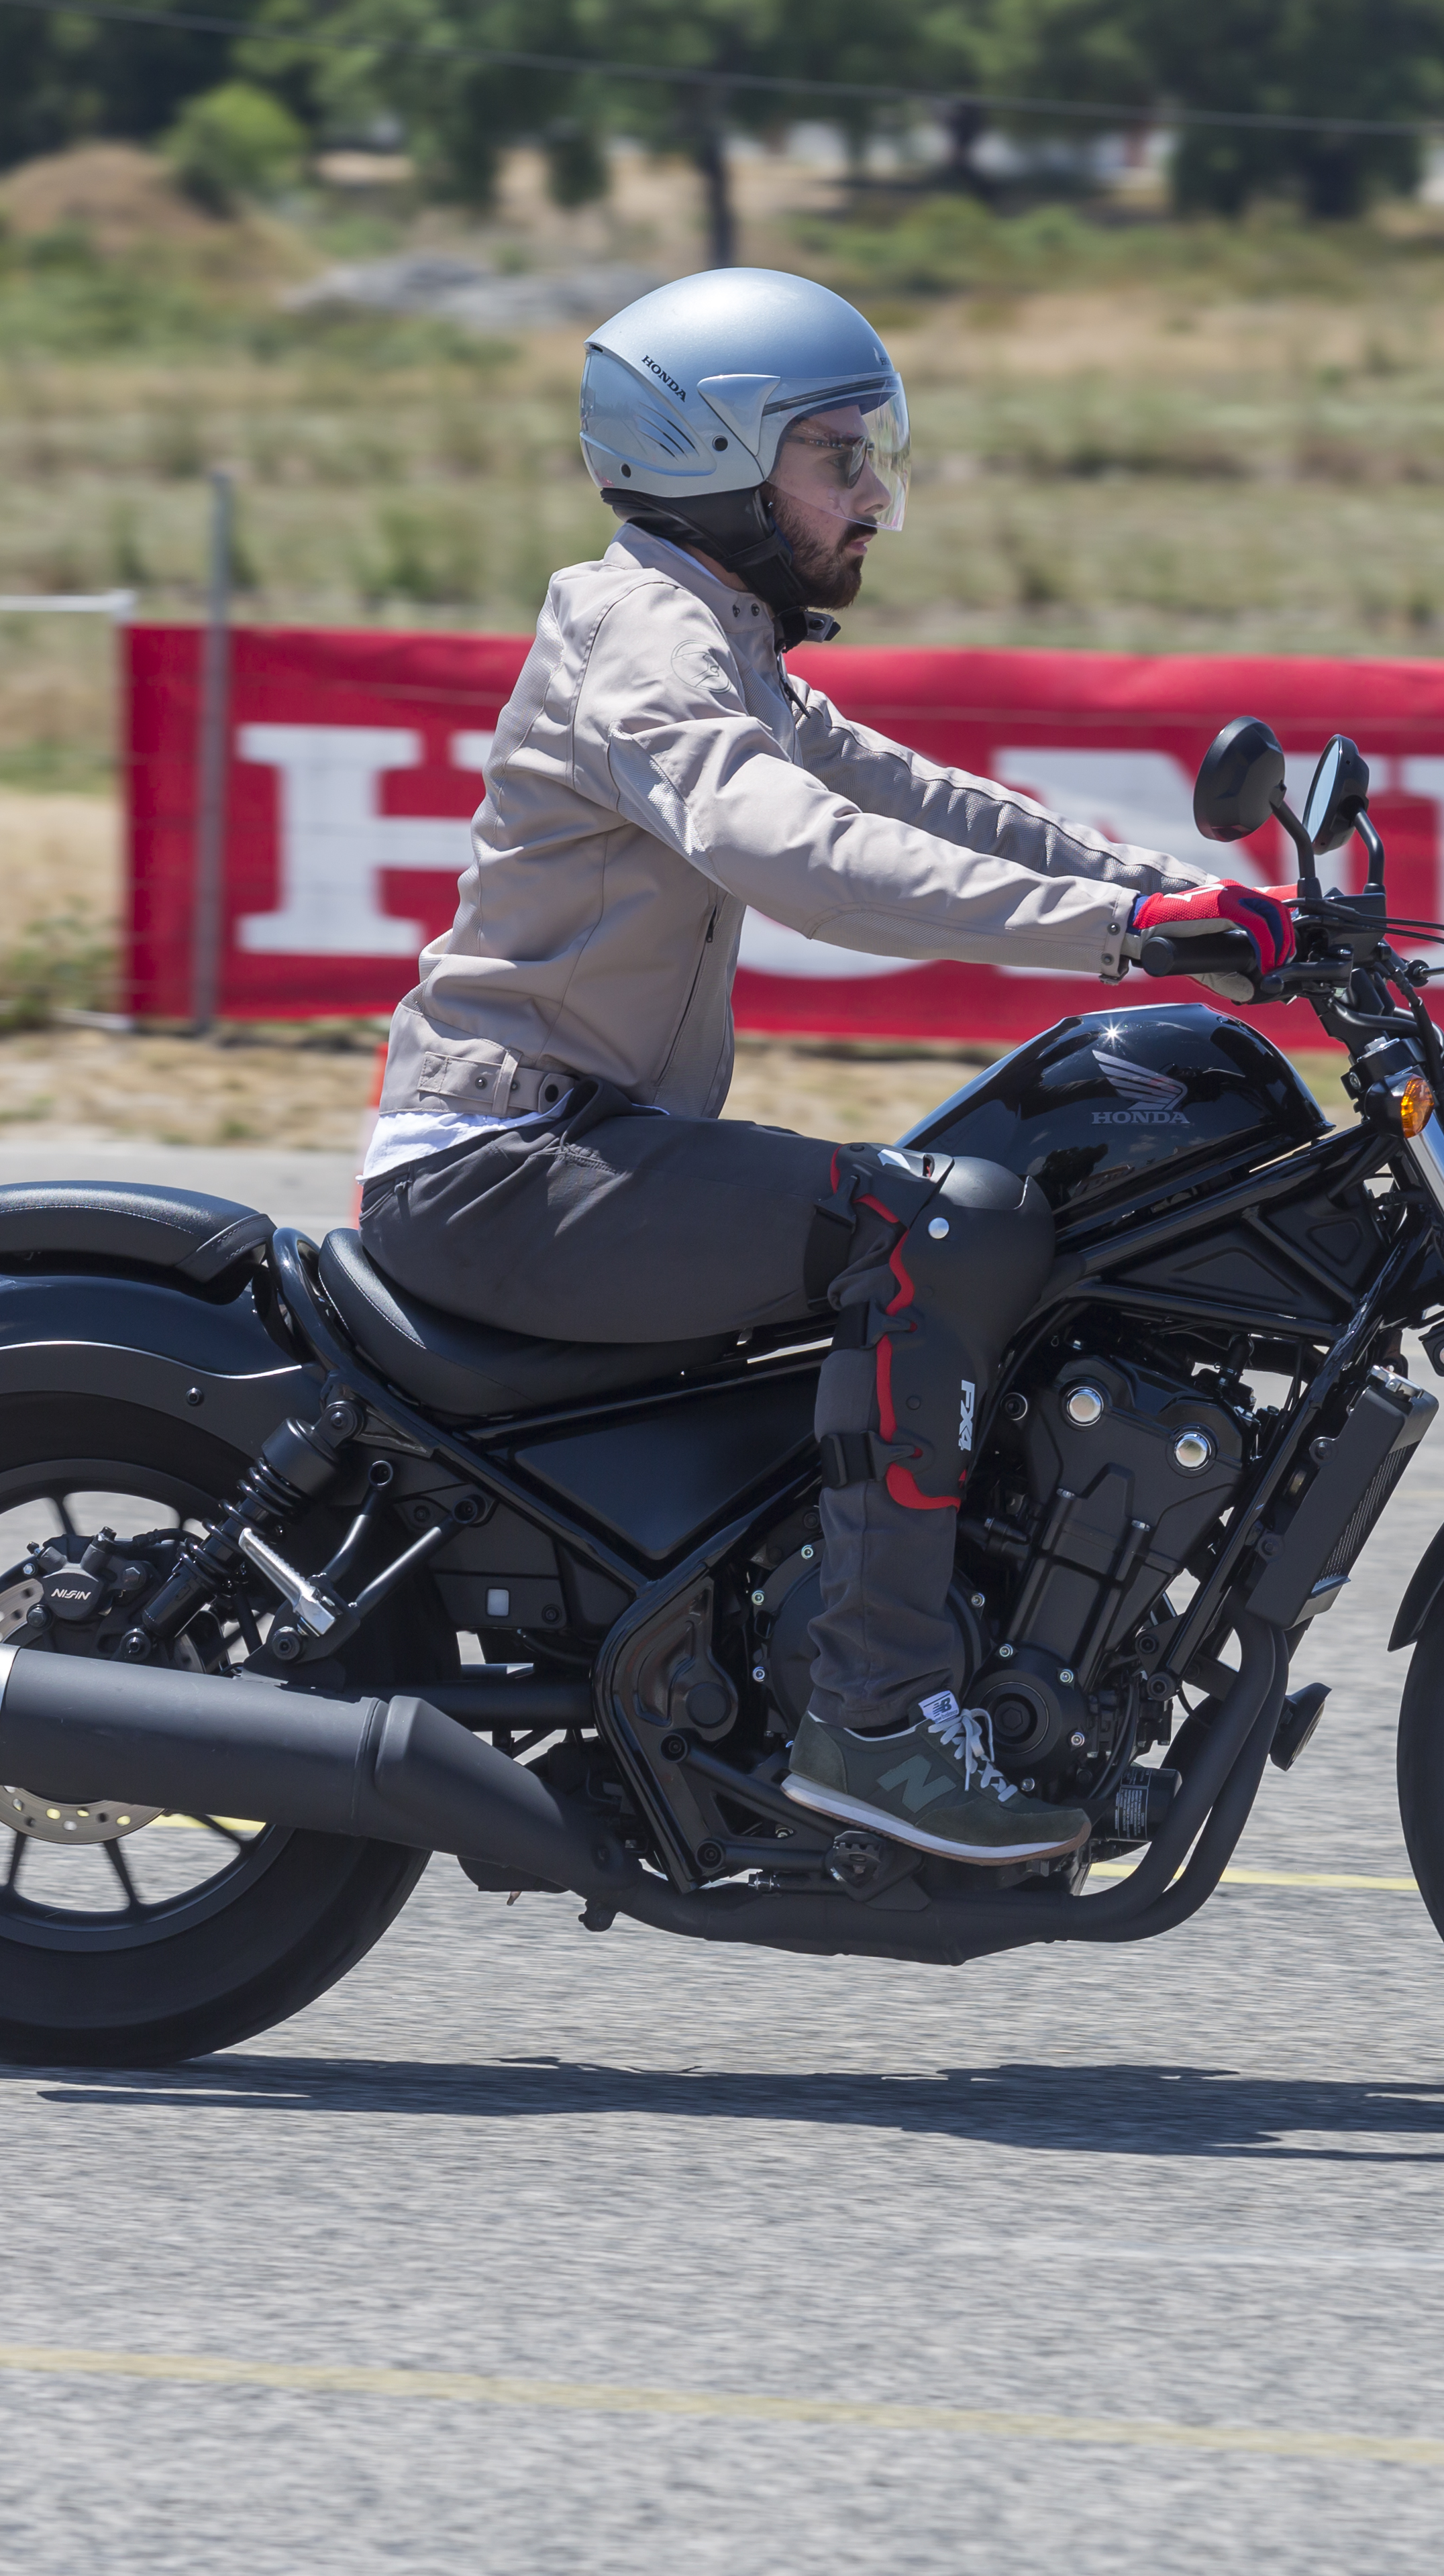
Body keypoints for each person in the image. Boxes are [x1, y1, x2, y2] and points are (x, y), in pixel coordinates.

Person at [357, 268, 1294, 1870]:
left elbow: (922, 800)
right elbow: (798, 852)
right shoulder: (649, 643)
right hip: (505, 1166)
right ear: (714, 460)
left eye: (874, 454)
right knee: (937, 1227)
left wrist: (1171, 897)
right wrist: (1118, 939)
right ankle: (873, 1721)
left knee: (1013, 1212)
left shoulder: (723, 639)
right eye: (833, 459)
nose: (871, 498)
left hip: (592, 1150)